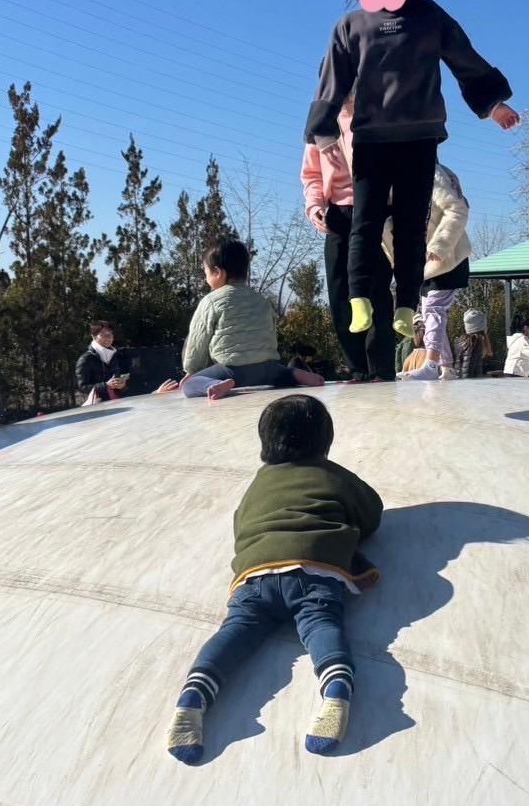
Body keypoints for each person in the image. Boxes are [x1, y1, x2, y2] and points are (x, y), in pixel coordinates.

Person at [305, 0, 519, 345]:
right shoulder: (351, 26)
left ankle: (406, 305)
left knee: (410, 224)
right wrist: (323, 132)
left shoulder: (428, 18)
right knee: (365, 223)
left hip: (420, 139)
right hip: (369, 141)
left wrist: (492, 104)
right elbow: (331, 82)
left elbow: (464, 59)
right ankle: (359, 300)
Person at [166, 395, 382, 764]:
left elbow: (240, 524)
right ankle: (335, 686)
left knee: (235, 631)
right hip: (314, 568)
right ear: (324, 442)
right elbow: (372, 512)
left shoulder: (257, 484)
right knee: (321, 624)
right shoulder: (333, 475)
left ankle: (194, 695)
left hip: (255, 574)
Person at [301, 94, 395, 382]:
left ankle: (380, 368)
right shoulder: (319, 121)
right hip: (338, 213)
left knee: (377, 288)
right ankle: (356, 368)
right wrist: (315, 204)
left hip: (377, 207)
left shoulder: (378, 111)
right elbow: (312, 174)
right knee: (339, 290)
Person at [180, 239, 324, 400]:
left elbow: (198, 341)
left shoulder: (211, 301)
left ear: (217, 272)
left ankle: (214, 385)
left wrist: (192, 370)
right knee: (282, 373)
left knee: (189, 385)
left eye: (206, 273)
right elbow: (270, 332)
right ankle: (297, 375)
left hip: (234, 372)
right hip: (269, 369)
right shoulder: (261, 299)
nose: (206, 278)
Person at [384, 163, 471, 381]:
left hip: (446, 255)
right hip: (423, 262)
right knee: (430, 312)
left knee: (433, 307)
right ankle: (447, 367)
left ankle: (431, 364)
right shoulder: (392, 176)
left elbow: (458, 209)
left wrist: (440, 245)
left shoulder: (431, 171)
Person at [76, 321, 131, 405]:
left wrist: (122, 385)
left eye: (110, 334)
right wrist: (106, 385)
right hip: (97, 407)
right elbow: (82, 387)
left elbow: (118, 381)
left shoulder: (114, 355)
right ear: (93, 337)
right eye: (103, 334)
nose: (108, 338)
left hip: (117, 404)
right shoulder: (86, 359)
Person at [452, 308, 492, 379]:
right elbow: (467, 369)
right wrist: (470, 387)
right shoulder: (474, 342)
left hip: (459, 382)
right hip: (470, 386)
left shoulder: (462, 341)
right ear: (481, 327)